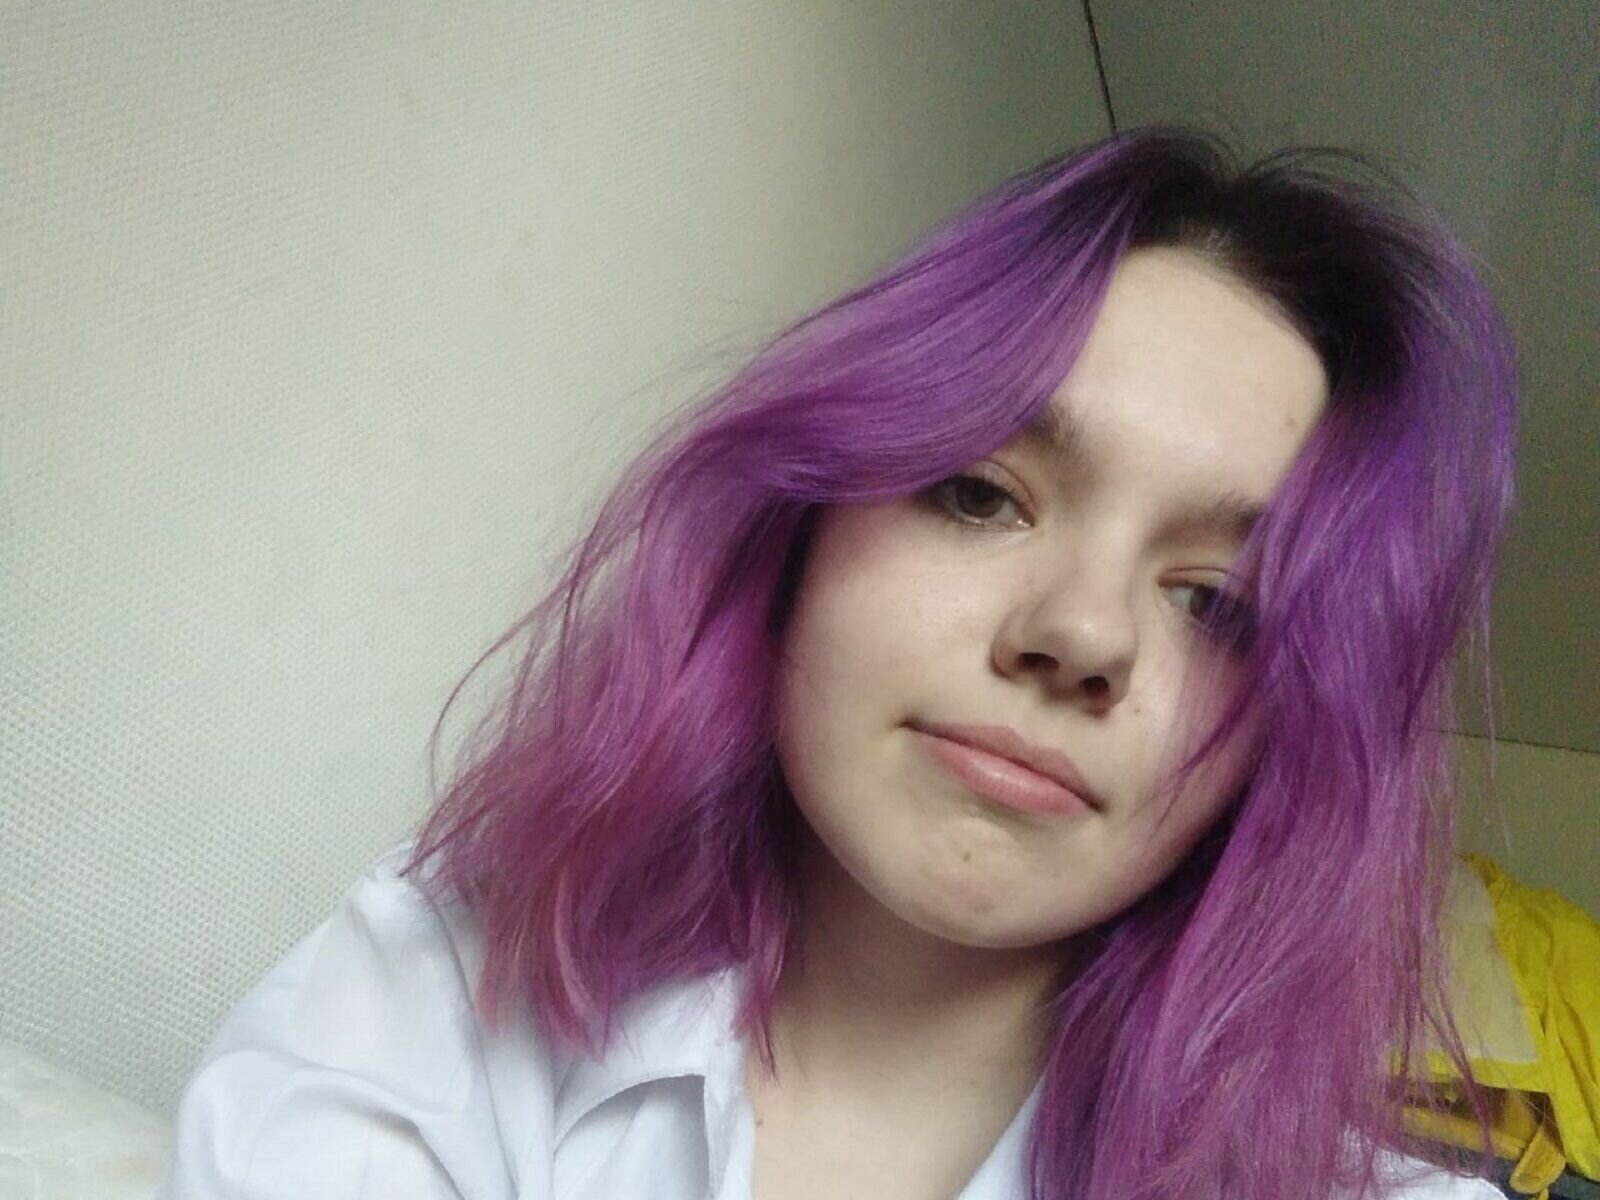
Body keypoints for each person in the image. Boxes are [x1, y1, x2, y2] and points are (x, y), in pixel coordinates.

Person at [159, 126, 1518, 1199]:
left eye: (1219, 605)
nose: (1082, 637)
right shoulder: (441, 992)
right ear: (798, 532)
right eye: (981, 494)